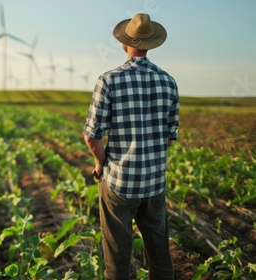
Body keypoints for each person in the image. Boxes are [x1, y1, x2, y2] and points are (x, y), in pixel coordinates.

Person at [83, 13, 179, 279]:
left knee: (117, 257)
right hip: (154, 182)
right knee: (160, 255)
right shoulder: (169, 82)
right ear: (151, 44)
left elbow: (92, 136)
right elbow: (171, 136)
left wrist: (100, 163)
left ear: (125, 44)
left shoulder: (109, 80)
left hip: (120, 183)